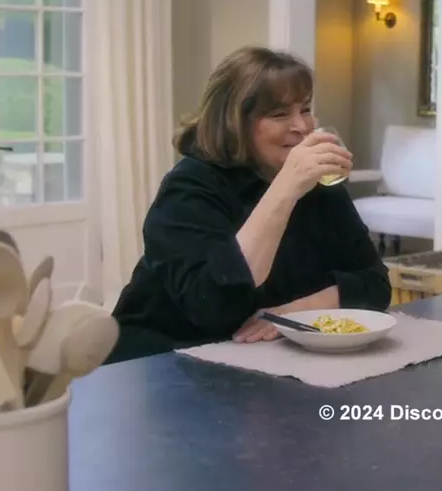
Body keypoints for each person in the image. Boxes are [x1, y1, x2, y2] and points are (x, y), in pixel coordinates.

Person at [108, 46, 391, 363]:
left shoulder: (319, 186)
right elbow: (213, 305)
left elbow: (375, 284)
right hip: (158, 360)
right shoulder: (188, 188)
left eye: (305, 109)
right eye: (279, 114)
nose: (301, 126)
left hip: (259, 357)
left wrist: (289, 314)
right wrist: (286, 188)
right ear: (234, 123)